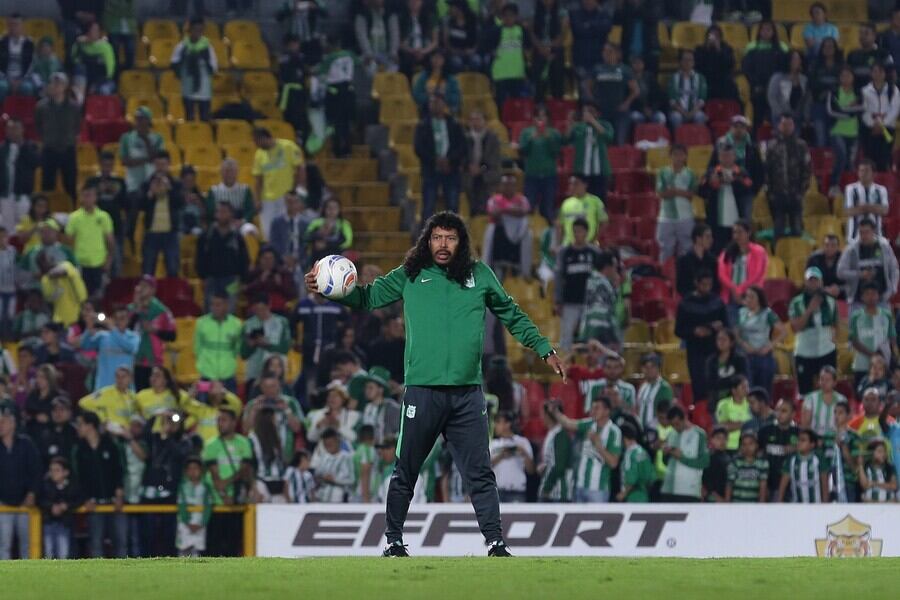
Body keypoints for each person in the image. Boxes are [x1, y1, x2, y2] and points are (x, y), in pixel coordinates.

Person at [307, 211, 562, 556]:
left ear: (461, 242)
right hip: (422, 393)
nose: (443, 245)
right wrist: (332, 292)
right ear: (428, 241)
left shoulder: (480, 275)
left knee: (480, 472)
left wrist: (544, 348)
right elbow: (367, 298)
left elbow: (512, 314)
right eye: (437, 237)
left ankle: (496, 542)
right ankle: (394, 541)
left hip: (467, 395)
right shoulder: (410, 274)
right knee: (405, 471)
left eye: (450, 238)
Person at [72, 410, 127, 558]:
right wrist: (86, 498)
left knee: (121, 543)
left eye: (80, 424)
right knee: (96, 544)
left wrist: (119, 493)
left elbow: (120, 470)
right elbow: (78, 478)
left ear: (90, 425)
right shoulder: (79, 450)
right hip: (94, 504)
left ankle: (126, 576)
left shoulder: (111, 445)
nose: (78, 428)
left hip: (114, 502)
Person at [552, 395, 621, 503]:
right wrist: (556, 411)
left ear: (607, 411)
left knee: (597, 520)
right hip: (580, 486)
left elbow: (613, 463)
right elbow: (568, 423)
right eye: (592, 408)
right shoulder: (589, 424)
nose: (593, 411)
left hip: (598, 489)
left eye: (597, 408)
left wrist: (598, 445)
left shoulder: (614, 432)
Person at [202, 409, 253, 556]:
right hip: (216, 503)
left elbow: (245, 468)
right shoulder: (211, 444)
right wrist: (223, 494)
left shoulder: (243, 442)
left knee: (234, 546)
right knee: (214, 546)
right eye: (218, 420)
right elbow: (214, 474)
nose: (219, 424)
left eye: (223, 420)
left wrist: (227, 483)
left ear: (233, 423)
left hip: (237, 501)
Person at [676, 270, 728, 403]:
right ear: (696, 283)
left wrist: (718, 327)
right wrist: (694, 331)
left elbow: (726, 325)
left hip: (714, 350)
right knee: (699, 385)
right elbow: (678, 330)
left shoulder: (717, 302)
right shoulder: (686, 304)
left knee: (715, 384)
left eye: (709, 284)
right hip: (695, 352)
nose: (707, 287)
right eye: (703, 284)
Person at [415, 93, 467, 223]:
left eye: (437, 102)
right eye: (432, 102)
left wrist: (450, 160)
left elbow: (462, 146)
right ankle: (426, 239)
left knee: (453, 207)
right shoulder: (422, 125)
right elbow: (419, 148)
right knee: (428, 207)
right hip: (430, 170)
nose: (434, 105)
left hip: (451, 170)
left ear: (444, 104)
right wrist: (435, 160)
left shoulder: (454, 124)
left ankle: (453, 238)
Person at [0, 402, 41, 560]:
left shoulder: (26, 444)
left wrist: (32, 493)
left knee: (28, 545)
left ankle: (31, 580)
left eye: (4, 421)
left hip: (25, 503)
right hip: (3, 504)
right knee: (4, 545)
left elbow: (36, 471)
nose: (1, 425)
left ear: (13, 423)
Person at [555, 218, 601, 350]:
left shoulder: (594, 253)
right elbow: (559, 277)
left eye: (580, 231)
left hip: (590, 302)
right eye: (575, 231)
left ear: (586, 232)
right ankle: (563, 365)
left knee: (591, 337)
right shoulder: (565, 252)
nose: (577, 234)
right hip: (570, 301)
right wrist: (558, 300)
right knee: (566, 336)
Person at [790, 268, 838, 395]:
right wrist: (809, 310)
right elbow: (796, 327)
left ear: (821, 282)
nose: (813, 284)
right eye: (810, 280)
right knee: (804, 391)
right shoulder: (796, 302)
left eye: (816, 280)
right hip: (804, 352)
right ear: (805, 282)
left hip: (826, 350)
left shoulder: (831, 301)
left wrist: (832, 340)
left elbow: (835, 324)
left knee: (828, 389)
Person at [765, 112, 812, 242]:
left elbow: (807, 170)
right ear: (779, 125)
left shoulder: (801, 145)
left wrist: (802, 191)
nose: (787, 127)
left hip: (795, 194)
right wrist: (770, 192)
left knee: (797, 230)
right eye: (784, 124)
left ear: (794, 126)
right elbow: (767, 170)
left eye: (789, 124)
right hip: (777, 194)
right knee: (778, 229)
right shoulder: (772, 146)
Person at [252, 128, 306, 240]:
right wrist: (257, 199)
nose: (256, 144)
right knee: (267, 231)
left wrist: (299, 191)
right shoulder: (259, 154)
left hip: (286, 196)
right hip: (266, 199)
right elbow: (258, 179)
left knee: (285, 230)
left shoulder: (288, 147)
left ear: (264, 138)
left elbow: (300, 168)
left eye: (257, 141)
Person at [196, 202, 250, 312]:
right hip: (211, 279)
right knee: (210, 311)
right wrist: (202, 276)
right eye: (218, 212)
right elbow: (199, 257)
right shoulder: (206, 236)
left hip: (232, 279)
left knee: (230, 310)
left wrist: (243, 279)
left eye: (224, 212)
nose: (220, 214)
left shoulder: (237, 237)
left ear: (231, 214)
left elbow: (244, 259)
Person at [34, 72, 79, 202]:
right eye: (53, 83)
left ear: (65, 86)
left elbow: (77, 126)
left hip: (68, 149)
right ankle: (46, 215)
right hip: (49, 149)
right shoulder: (41, 107)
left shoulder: (74, 106)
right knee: (47, 186)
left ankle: (72, 213)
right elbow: (38, 125)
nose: (56, 86)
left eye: (59, 84)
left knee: (70, 185)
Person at [64, 185, 115, 297]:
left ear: (95, 198)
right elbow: (68, 242)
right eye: (84, 196)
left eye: (90, 195)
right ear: (81, 198)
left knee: (98, 296)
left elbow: (110, 242)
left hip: (99, 264)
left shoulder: (104, 217)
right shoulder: (74, 217)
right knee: (80, 296)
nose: (87, 199)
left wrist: (108, 261)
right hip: (80, 264)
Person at [837, 218, 900, 308]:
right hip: (857, 301)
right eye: (861, 232)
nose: (863, 235)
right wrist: (859, 274)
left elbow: (894, 268)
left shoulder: (884, 246)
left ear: (873, 231)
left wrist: (893, 289)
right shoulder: (851, 249)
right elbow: (840, 272)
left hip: (882, 300)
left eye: (866, 232)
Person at [119, 107, 165, 230]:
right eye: (137, 119)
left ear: (148, 121)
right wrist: (146, 159)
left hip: (152, 183)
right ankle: (129, 233)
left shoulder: (158, 138)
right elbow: (125, 161)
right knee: (133, 206)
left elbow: (158, 158)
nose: (138, 122)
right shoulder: (126, 138)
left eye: (141, 119)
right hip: (133, 184)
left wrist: (145, 140)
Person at [703, 146, 755, 253]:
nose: (726, 158)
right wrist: (713, 183)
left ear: (734, 157)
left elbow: (749, 189)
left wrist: (735, 181)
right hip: (717, 222)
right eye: (723, 156)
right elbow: (701, 190)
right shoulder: (712, 172)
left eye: (729, 155)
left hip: (737, 221)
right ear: (718, 157)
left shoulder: (741, 172)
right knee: (719, 253)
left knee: (737, 252)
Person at [736, 286, 784, 397]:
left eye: (752, 297)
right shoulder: (742, 313)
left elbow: (783, 332)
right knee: (748, 390)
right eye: (747, 296)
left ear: (759, 299)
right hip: (747, 356)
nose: (748, 299)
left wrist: (769, 346)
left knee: (764, 392)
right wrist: (744, 345)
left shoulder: (767, 313)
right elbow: (736, 333)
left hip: (764, 357)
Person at [129, 276, 176, 390]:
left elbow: (172, 336)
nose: (141, 289)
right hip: (134, 361)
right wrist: (137, 310)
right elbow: (126, 330)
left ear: (153, 290)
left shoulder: (162, 311)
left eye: (145, 286)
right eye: (140, 286)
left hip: (154, 362)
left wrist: (155, 331)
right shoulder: (131, 309)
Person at [481, 173, 532, 277]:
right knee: (492, 228)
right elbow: (493, 213)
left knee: (528, 231)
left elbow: (524, 211)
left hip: (517, 236)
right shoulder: (494, 199)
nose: (508, 187)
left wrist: (503, 210)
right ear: (500, 186)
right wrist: (512, 210)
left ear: (515, 186)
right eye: (505, 184)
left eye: (511, 184)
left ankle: (523, 272)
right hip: (498, 236)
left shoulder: (522, 199)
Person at [80, 305, 140, 391]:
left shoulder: (133, 337)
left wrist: (112, 328)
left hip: (125, 390)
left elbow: (129, 347)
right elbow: (85, 346)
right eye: (116, 319)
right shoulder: (102, 336)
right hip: (103, 389)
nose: (119, 322)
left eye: (122, 318)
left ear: (128, 320)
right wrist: (89, 327)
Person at [86, 152, 128, 274]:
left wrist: (116, 191)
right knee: (97, 263)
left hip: (115, 226)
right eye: (104, 165)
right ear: (100, 164)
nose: (107, 168)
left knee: (116, 262)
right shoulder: (92, 182)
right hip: (95, 228)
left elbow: (126, 204)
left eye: (110, 165)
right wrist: (98, 191)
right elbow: (86, 202)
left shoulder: (120, 181)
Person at [717, 220, 767, 321]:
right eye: (734, 232)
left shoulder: (759, 251)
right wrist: (734, 289)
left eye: (740, 232)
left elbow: (756, 274)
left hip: (751, 296)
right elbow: (722, 274)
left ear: (748, 233)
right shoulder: (727, 252)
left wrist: (740, 290)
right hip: (731, 296)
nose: (736, 236)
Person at [585, 43, 635, 146]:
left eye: (609, 51)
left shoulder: (625, 70)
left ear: (617, 54)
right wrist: (593, 102)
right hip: (602, 111)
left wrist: (626, 104)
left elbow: (635, 90)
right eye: (604, 51)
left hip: (619, 112)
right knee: (603, 140)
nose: (606, 54)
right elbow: (588, 87)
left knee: (618, 142)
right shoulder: (597, 69)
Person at [742, 21, 789, 129]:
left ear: (773, 32)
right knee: (758, 117)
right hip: (758, 87)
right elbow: (747, 69)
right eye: (763, 29)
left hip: (776, 88)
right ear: (759, 31)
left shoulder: (782, 47)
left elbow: (785, 68)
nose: (765, 32)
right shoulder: (752, 47)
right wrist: (755, 83)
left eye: (769, 29)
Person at [518, 106, 561, 222]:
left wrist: (549, 139)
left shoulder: (554, 133)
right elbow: (522, 151)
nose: (541, 119)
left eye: (544, 116)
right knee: (529, 206)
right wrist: (531, 139)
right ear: (534, 118)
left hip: (549, 175)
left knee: (547, 208)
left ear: (548, 118)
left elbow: (557, 153)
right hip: (531, 175)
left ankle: (549, 234)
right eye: (538, 116)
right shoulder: (526, 133)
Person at [849, 282, 898, 384]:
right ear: (862, 297)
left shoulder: (887, 315)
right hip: (861, 365)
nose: (871, 297)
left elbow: (892, 338)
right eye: (867, 294)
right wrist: (873, 355)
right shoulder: (855, 316)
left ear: (878, 296)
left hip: (883, 365)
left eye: (873, 293)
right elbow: (854, 341)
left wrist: (892, 357)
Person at [193, 292, 242, 392]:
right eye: (212, 304)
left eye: (218, 304)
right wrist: (205, 368)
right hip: (206, 377)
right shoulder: (201, 323)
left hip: (228, 377)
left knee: (231, 407)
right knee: (203, 407)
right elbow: (197, 348)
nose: (214, 308)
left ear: (227, 305)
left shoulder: (236, 324)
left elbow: (237, 350)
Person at [658, 406, 709, 502]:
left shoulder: (699, 434)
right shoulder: (671, 434)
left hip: (688, 490)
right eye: (672, 425)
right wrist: (666, 454)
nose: (675, 427)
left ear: (684, 418)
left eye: (677, 424)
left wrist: (682, 458)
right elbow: (666, 462)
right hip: (668, 488)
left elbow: (704, 462)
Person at [171, 17, 217, 122]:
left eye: (200, 30)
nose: (197, 33)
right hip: (187, 87)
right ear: (189, 30)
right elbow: (174, 64)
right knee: (189, 116)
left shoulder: (208, 47)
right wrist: (184, 58)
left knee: (204, 118)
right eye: (194, 30)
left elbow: (213, 68)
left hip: (204, 88)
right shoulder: (182, 46)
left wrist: (205, 59)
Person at [656, 144, 697, 262]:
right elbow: (661, 193)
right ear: (670, 156)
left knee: (687, 248)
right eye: (675, 154)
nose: (678, 158)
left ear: (686, 156)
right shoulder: (663, 172)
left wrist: (675, 191)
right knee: (665, 249)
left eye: (681, 155)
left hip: (686, 216)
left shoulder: (690, 174)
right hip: (665, 217)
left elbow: (691, 194)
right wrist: (681, 192)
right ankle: (665, 274)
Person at [827, 67, 863, 196]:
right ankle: (833, 185)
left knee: (850, 164)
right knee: (841, 157)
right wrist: (849, 111)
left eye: (848, 75)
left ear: (853, 77)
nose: (846, 78)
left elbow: (861, 109)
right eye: (843, 75)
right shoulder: (834, 92)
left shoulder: (859, 93)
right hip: (837, 131)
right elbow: (831, 111)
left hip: (853, 133)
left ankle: (850, 190)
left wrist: (843, 109)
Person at [486, 3, 528, 114]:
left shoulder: (521, 30)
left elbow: (527, 48)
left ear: (516, 16)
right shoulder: (496, 31)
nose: (509, 18)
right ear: (502, 17)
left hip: (517, 73)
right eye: (506, 16)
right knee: (501, 105)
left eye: (511, 15)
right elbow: (485, 46)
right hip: (500, 74)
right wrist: (491, 52)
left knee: (517, 104)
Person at [578, 252, 622, 353]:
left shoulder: (592, 280)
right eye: (614, 267)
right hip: (601, 333)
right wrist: (613, 337)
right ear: (607, 267)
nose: (616, 270)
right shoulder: (602, 285)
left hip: (588, 329)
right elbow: (600, 312)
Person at [0, 119, 39, 232]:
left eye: (16, 128)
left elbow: (36, 162)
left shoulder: (30, 146)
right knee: (8, 229)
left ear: (22, 130)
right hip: (5, 195)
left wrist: (22, 147)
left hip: (23, 195)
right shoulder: (2, 149)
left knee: (24, 227)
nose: (13, 131)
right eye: (10, 128)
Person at [860, 62, 900, 172]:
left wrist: (883, 124)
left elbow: (895, 109)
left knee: (884, 159)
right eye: (875, 71)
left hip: (888, 129)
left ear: (884, 74)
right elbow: (864, 111)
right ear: (871, 73)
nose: (877, 74)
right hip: (870, 129)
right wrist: (873, 124)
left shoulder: (893, 90)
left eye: (880, 71)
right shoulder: (864, 91)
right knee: (870, 159)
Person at [40, 456, 82, 559]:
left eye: (57, 470)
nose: (53, 473)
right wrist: (51, 507)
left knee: (63, 554)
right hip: (48, 522)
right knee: (48, 553)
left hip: (65, 524)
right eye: (52, 470)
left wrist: (66, 506)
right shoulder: (45, 485)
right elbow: (40, 500)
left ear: (66, 472)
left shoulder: (73, 486)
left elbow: (79, 500)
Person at [758, 399, 799, 502]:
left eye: (784, 411)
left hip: (792, 485)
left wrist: (796, 448)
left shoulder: (800, 433)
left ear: (793, 413)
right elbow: (757, 454)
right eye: (777, 410)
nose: (779, 414)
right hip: (768, 483)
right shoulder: (764, 431)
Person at [489, 411, 534, 503]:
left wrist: (524, 453)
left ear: (507, 424)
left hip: (517, 492)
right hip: (497, 492)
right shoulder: (493, 445)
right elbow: (486, 467)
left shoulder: (522, 442)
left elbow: (531, 470)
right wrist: (501, 455)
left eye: (498, 422)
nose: (495, 426)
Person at [174, 456, 213, 557]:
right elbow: (181, 505)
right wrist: (187, 522)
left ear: (201, 471)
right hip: (184, 524)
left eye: (196, 468)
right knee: (183, 550)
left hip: (200, 524)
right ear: (186, 471)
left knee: (197, 552)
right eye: (190, 469)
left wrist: (202, 523)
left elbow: (208, 506)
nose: (193, 471)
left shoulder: (205, 487)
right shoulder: (182, 486)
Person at [808, 37, 842, 148]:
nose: (828, 49)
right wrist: (830, 87)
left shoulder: (841, 66)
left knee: (835, 139)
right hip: (819, 105)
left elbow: (843, 84)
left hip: (837, 106)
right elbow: (812, 84)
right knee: (821, 138)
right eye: (825, 46)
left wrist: (827, 88)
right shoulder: (815, 66)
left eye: (830, 46)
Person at [778, 429, 829, 503]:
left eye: (803, 440)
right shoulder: (791, 459)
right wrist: (779, 501)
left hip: (816, 505)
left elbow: (825, 484)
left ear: (812, 444)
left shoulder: (819, 458)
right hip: (796, 505)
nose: (799, 443)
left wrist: (825, 504)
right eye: (798, 440)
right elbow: (783, 484)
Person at [38, 251, 87, 327]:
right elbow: (49, 297)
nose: (44, 264)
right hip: (61, 318)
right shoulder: (45, 280)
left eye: (45, 260)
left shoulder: (66, 264)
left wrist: (52, 274)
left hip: (81, 311)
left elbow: (62, 272)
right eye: (41, 263)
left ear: (52, 258)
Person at [530, 0, 567, 100]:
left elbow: (563, 33)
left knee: (557, 84)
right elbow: (531, 33)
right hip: (539, 50)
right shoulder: (534, 11)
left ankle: (558, 106)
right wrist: (541, 47)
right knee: (539, 84)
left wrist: (550, 47)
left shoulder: (561, 11)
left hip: (556, 50)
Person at [243, 247, 297, 315]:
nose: (268, 261)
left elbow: (292, 293)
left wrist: (280, 284)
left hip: (278, 310)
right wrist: (260, 281)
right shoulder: (253, 273)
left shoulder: (283, 273)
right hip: (257, 309)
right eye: (265, 258)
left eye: (271, 258)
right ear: (260, 259)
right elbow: (245, 291)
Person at [844, 159, 889, 243]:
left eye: (867, 171)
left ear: (874, 173)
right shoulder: (850, 189)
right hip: (854, 237)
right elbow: (849, 211)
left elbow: (884, 210)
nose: (863, 174)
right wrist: (874, 207)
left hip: (877, 236)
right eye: (861, 171)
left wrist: (863, 206)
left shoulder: (881, 190)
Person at [205, 159, 256, 230]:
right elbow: (210, 212)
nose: (229, 174)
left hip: (240, 223)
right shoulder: (213, 191)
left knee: (249, 229)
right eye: (226, 171)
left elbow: (250, 210)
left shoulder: (245, 190)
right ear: (221, 173)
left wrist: (242, 221)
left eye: (232, 171)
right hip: (220, 223)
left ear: (237, 172)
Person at [537, 400, 572, 502]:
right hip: (550, 489)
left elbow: (559, 465)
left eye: (543, 414)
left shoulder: (561, 435)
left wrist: (547, 487)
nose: (541, 417)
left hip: (558, 492)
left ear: (548, 415)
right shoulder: (551, 434)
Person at [558, 174, 608, 246]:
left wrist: (594, 239)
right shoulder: (566, 203)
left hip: (588, 245)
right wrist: (559, 244)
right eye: (571, 184)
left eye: (576, 184)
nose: (572, 186)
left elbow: (604, 222)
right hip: (568, 245)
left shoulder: (595, 201)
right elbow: (560, 226)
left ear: (585, 185)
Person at [569, 0, 612, 79]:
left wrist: (588, 25)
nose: (589, 1)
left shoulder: (603, 14)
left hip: (599, 58)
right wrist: (596, 27)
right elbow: (578, 30)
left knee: (599, 87)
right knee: (582, 87)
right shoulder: (575, 14)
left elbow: (607, 28)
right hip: (580, 58)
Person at [70, 21, 116, 95]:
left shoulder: (105, 47)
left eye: (95, 30)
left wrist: (100, 82)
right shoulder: (81, 44)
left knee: (105, 90)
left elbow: (110, 69)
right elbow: (74, 59)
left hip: (100, 79)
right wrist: (78, 43)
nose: (93, 32)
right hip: (84, 78)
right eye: (91, 30)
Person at [694, 25, 738, 102]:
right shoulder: (700, 49)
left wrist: (719, 50)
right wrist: (707, 49)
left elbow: (730, 64)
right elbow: (697, 66)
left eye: (716, 35)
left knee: (730, 86)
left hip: (722, 80)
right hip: (706, 79)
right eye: (712, 35)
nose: (714, 38)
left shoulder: (726, 48)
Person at [354, 0, 400, 74]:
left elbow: (394, 34)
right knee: (371, 71)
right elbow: (361, 37)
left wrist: (393, 52)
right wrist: (368, 54)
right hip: (368, 54)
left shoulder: (390, 14)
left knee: (393, 69)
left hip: (386, 54)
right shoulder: (362, 15)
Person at [304, 198, 353, 264]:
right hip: (318, 258)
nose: (331, 210)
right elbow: (306, 236)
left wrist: (327, 245)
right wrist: (318, 233)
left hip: (336, 259)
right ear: (324, 209)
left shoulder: (344, 224)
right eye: (329, 207)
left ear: (339, 209)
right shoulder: (316, 222)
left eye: (335, 208)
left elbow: (347, 242)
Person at [676, 223, 719, 298]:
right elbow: (681, 286)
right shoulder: (684, 260)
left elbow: (716, 285)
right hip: (691, 300)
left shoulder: (712, 260)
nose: (711, 240)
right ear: (698, 239)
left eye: (711, 237)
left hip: (709, 299)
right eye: (707, 237)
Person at [668, 49, 708, 129]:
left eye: (690, 60)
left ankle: (698, 140)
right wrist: (684, 113)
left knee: (700, 117)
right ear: (680, 62)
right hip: (678, 111)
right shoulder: (674, 78)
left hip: (695, 111)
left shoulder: (700, 78)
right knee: (676, 117)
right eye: (685, 60)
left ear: (693, 62)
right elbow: (672, 100)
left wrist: (691, 113)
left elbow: (702, 100)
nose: (687, 62)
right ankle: (678, 139)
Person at [360, 366, 400, 444]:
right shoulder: (367, 408)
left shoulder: (392, 408)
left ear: (381, 389)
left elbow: (401, 431)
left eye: (370, 388)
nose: (367, 391)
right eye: (366, 387)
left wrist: (391, 438)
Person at [616, 422, 655, 503]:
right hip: (644, 496)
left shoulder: (630, 454)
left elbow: (631, 478)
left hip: (632, 498)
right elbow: (652, 476)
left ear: (623, 438)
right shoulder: (643, 451)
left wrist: (623, 494)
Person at [0, 14, 35, 103]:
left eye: (16, 24)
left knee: (28, 88)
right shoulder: (2, 42)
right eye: (11, 24)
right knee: (1, 87)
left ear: (22, 26)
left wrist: (21, 80)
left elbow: (31, 64)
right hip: (5, 78)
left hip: (23, 78)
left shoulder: (28, 43)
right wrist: (8, 79)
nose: (13, 27)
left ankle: (24, 115)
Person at [412, 50, 460, 114]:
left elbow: (456, 97)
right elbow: (416, 95)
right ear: (430, 59)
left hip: (446, 112)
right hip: (427, 111)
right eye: (434, 57)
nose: (436, 60)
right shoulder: (423, 77)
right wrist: (429, 97)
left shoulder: (450, 79)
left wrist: (444, 96)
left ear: (444, 60)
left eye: (439, 57)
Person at [726, 432, 769, 503]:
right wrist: (727, 505)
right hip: (736, 503)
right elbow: (729, 485)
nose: (747, 447)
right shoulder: (735, 463)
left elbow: (763, 486)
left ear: (756, 445)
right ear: (740, 447)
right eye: (744, 444)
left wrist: (761, 506)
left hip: (753, 504)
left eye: (750, 444)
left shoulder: (763, 464)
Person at [636, 353, 674, 431]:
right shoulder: (643, 387)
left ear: (658, 368)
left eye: (653, 366)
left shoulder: (664, 388)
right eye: (646, 367)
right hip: (642, 431)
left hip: (658, 433)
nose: (649, 370)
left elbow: (665, 414)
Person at [848, 23, 891, 91]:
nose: (862, 36)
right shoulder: (852, 54)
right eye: (861, 33)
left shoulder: (883, 54)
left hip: (878, 94)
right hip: (856, 94)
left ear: (874, 35)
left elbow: (891, 74)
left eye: (866, 33)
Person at [715, 375, 752, 451]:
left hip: (747, 448)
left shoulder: (751, 403)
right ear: (734, 390)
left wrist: (735, 424)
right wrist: (748, 424)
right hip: (729, 447)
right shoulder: (724, 404)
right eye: (743, 387)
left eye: (747, 387)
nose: (747, 390)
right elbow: (724, 427)